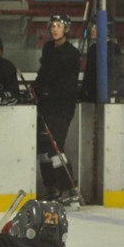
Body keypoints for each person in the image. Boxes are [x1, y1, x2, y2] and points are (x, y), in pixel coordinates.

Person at [33, 14, 80, 206]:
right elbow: (43, 74)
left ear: (66, 29)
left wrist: (46, 92)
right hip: (46, 104)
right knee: (43, 149)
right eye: (53, 25)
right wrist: (35, 88)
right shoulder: (48, 49)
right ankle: (52, 188)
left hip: (61, 106)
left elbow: (66, 85)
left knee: (55, 148)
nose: (55, 29)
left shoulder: (72, 53)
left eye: (59, 26)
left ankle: (69, 189)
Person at [79, 19, 124, 103]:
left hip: (107, 93)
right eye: (92, 27)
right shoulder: (92, 48)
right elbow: (89, 74)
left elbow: (115, 72)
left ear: (107, 30)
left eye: (96, 27)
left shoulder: (113, 48)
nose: (92, 30)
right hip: (93, 94)